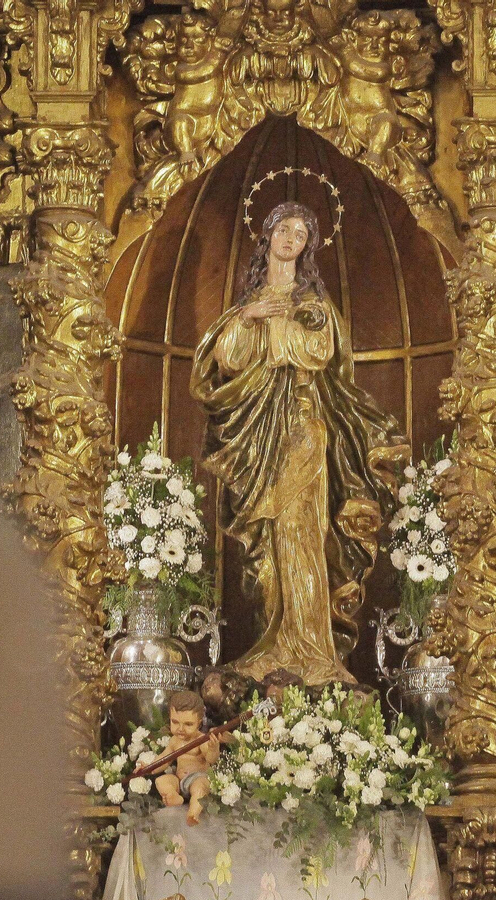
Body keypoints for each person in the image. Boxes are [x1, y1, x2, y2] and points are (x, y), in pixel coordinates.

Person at [191, 200, 404, 687]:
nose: (292, 239)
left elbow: (320, 352)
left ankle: (311, 645)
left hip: (304, 428)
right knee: (269, 539)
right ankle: (276, 638)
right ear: (267, 236)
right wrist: (248, 319)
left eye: (301, 234)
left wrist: (276, 325)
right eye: (284, 229)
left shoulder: (315, 304)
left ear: (307, 247)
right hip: (257, 434)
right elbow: (227, 362)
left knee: (301, 528)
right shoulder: (248, 306)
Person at [154, 690, 221, 825]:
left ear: (199, 722)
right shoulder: (174, 741)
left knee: (200, 788)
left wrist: (213, 748)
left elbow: (211, 759)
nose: (181, 729)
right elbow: (164, 759)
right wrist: (148, 767)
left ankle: (193, 813)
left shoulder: (201, 739)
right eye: (175, 722)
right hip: (179, 781)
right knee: (161, 781)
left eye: (188, 724)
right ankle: (174, 796)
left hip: (197, 778)